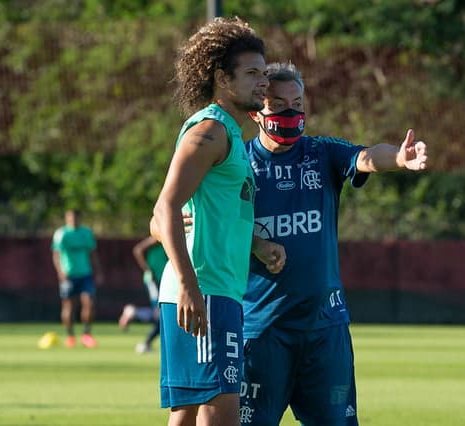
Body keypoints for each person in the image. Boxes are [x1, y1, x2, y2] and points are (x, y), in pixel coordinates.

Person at [238, 62, 428, 425]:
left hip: (324, 327)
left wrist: (400, 158)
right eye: (278, 106)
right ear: (256, 112)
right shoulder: (238, 162)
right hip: (262, 329)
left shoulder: (321, 152)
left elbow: (367, 156)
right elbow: (209, 218)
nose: (290, 113)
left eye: (297, 104)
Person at [149, 17, 285, 426]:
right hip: (202, 292)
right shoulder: (209, 131)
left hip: (215, 290)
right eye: (251, 74)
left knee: (189, 413)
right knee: (220, 411)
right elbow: (163, 211)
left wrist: (257, 245)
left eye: (263, 72)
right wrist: (190, 287)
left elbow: (197, 214)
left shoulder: (230, 135)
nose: (263, 83)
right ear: (222, 78)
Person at [51, 209, 103, 348]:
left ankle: (86, 334)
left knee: (89, 303)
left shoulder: (86, 233)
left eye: (75, 217)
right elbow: (56, 255)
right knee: (69, 306)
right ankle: (70, 336)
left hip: (85, 274)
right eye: (70, 218)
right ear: (66, 219)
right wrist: (60, 272)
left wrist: (97, 272)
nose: (73, 220)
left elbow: (93, 254)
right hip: (68, 275)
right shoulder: (62, 234)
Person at [118, 235, 167, 354]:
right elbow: (138, 250)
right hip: (155, 279)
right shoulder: (160, 235)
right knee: (161, 314)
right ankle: (134, 313)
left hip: (163, 279)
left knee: (163, 315)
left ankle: (147, 343)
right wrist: (148, 270)